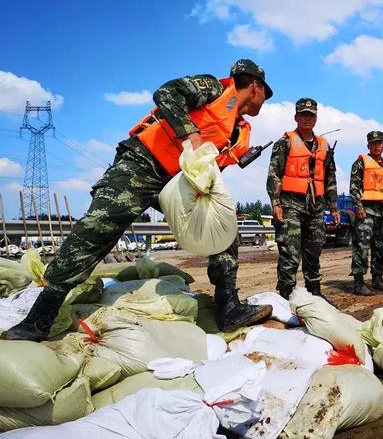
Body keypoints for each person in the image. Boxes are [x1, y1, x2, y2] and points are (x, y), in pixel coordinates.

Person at [2, 59, 274, 341]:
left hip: (176, 183)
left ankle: (229, 307)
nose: (264, 101)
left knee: (223, 231)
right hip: (142, 164)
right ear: (254, 86)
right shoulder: (214, 89)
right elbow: (167, 93)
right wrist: (191, 133)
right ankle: (39, 319)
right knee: (98, 227)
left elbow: (206, 165)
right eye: (265, 93)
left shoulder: (239, 129)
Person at [267, 98, 339, 302]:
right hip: (291, 203)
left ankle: (314, 292)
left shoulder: (324, 146)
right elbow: (274, 174)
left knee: (314, 250)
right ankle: (286, 294)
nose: (307, 118)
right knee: (290, 251)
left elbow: (330, 178)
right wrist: (276, 203)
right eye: (303, 114)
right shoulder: (285, 143)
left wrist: (333, 207)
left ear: (316, 118)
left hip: (316, 205)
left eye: (311, 115)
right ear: (296, 117)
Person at [350, 131, 383, 295]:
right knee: (361, 247)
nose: (376, 146)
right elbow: (354, 188)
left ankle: (378, 280)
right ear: (368, 146)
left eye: (379, 143)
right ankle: (359, 283)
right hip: (367, 210)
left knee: (381, 248)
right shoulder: (361, 163)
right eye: (373, 143)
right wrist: (358, 207)